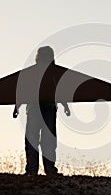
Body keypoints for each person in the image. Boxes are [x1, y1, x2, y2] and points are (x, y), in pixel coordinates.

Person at [13, 46, 70, 176]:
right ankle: (35, 170)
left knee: (45, 140)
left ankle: (42, 169)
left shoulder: (50, 73)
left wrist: (65, 105)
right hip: (36, 110)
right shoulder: (36, 73)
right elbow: (23, 89)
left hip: (45, 109)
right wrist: (17, 106)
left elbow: (59, 90)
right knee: (39, 140)